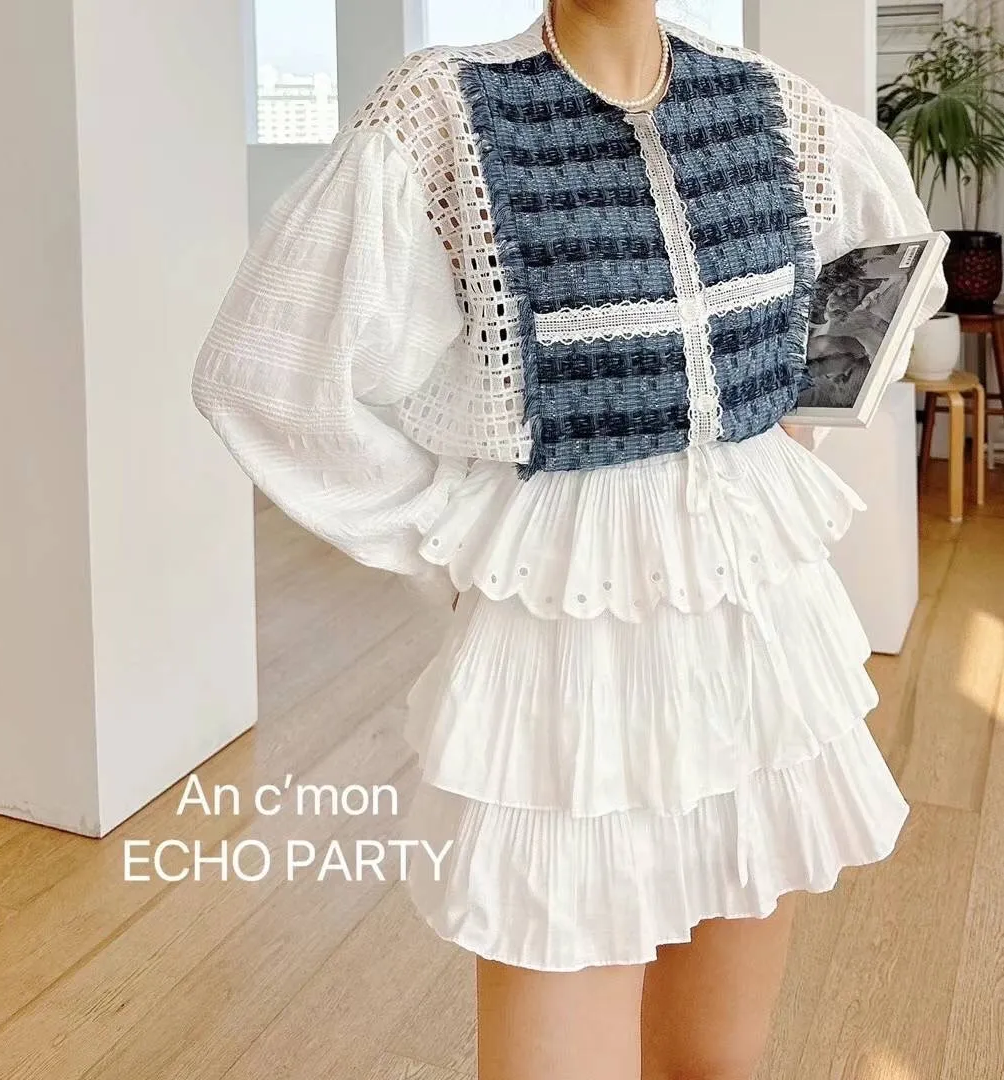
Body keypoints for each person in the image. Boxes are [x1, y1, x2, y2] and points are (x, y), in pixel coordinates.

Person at [190, 2, 946, 1077]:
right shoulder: (444, 114)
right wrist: (443, 530)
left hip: (758, 626)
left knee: (716, 1059)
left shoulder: (775, 107)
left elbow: (892, 264)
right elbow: (263, 376)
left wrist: (789, 418)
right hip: (569, 642)